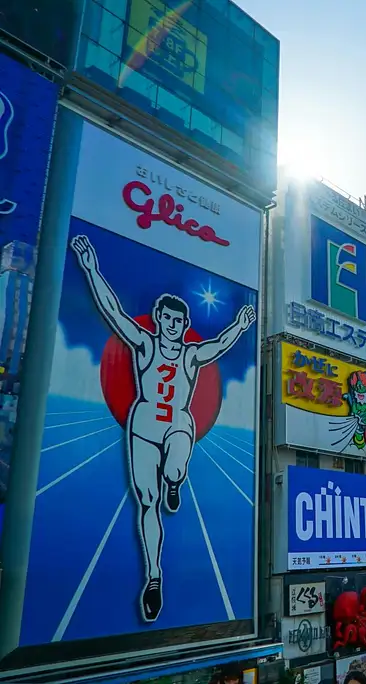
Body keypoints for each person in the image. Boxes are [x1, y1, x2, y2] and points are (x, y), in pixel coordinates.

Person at [71, 234, 255, 622]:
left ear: (185, 324)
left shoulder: (190, 355)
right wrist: (90, 268)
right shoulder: (144, 344)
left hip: (176, 425)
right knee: (147, 503)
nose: (171, 325)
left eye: (177, 321)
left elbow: (219, 345)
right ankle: (154, 577)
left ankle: (176, 478)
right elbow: (114, 311)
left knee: (177, 450)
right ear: (159, 321)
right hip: (143, 427)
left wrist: (240, 326)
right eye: (166, 319)